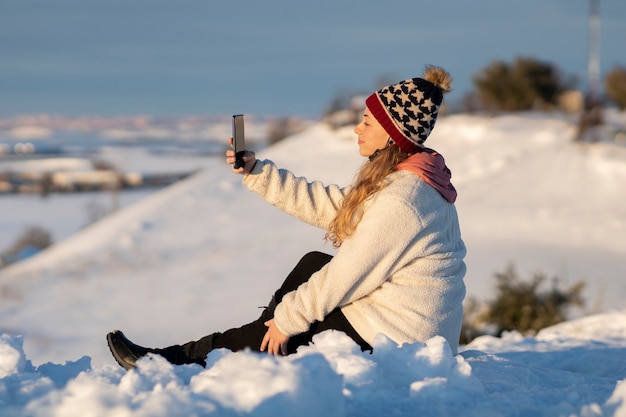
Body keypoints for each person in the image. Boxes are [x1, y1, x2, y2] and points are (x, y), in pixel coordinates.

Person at [107, 65, 467, 370]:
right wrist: (257, 172)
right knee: (310, 265)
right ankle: (245, 341)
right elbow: (330, 206)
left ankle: (178, 362)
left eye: (367, 122)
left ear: (392, 135)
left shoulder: (403, 201)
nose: (358, 128)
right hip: (404, 323)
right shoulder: (407, 181)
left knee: (289, 318)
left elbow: (346, 274)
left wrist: (286, 322)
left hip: (403, 341)